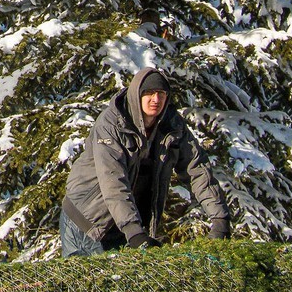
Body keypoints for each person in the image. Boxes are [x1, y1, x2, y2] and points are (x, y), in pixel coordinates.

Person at [60, 66, 230, 256]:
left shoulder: (172, 126)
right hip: (87, 222)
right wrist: (134, 232)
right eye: (149, 93)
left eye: (161, 93)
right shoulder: (111, 125)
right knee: (92, 284)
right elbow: (113, 181)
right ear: (136, 95)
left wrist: (220, 218)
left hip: (124, 224)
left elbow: (196, 169)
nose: (155, 99)